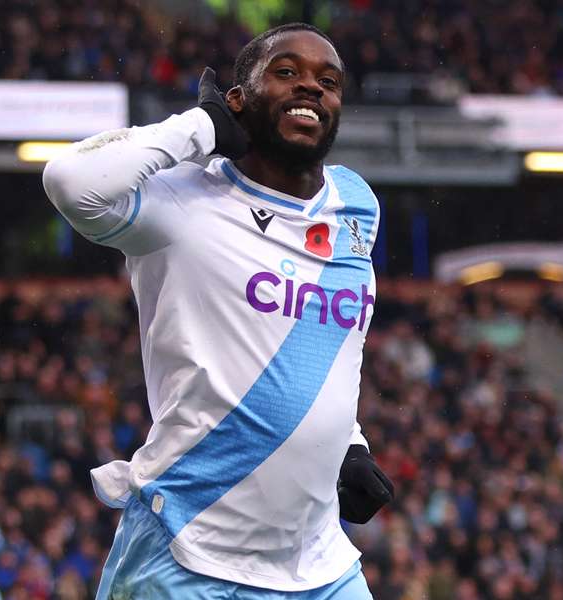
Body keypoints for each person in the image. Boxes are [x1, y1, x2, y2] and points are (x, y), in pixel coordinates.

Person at [43, 22, 394, 599]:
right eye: (286, 73)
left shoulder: (356, 204)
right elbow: (71, 180)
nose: (311, 87)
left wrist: (349, 442)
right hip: (187, 553)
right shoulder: (180, 199)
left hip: (319, 564)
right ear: (238, 99)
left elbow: (321, 339)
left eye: (327, 82)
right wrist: (201, 125)